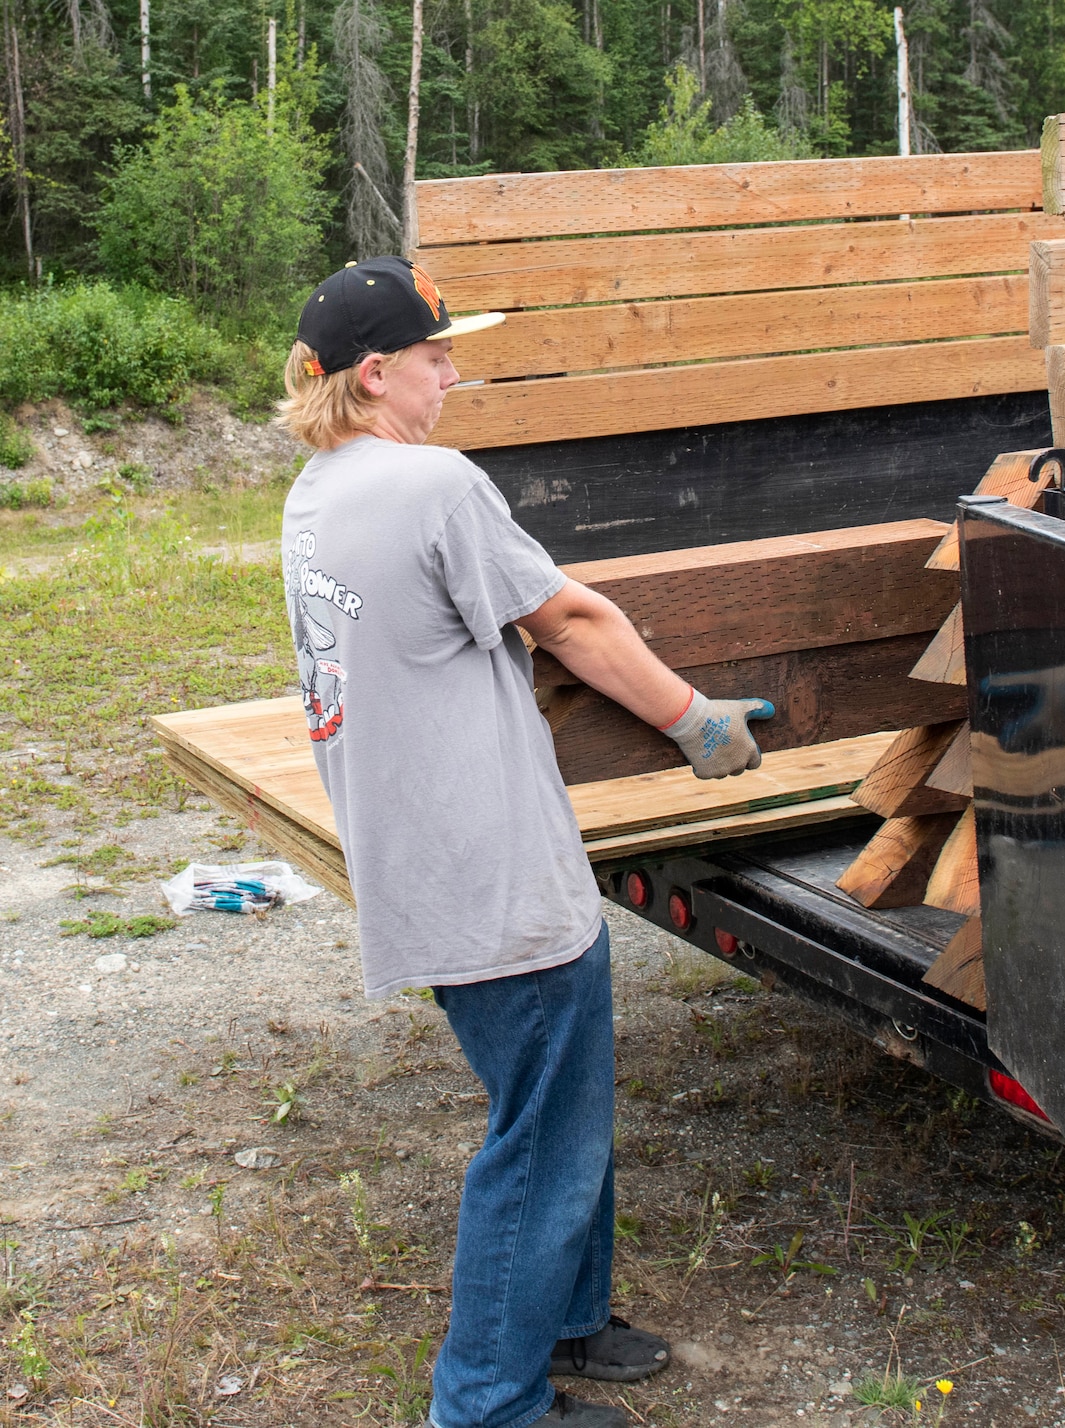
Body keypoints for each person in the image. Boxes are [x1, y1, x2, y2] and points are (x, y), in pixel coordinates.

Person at [277, 256, 775, 1428]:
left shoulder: (316, 497)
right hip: (491, 874)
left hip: (422, 865)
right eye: (438, 356)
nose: (455, 373)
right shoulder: (431, 485)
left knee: (562, 1105)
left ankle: (570, 1320)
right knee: (540, 1139)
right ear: (375, 372)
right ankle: (488, 1401)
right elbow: (569, 622)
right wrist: (695, 721)